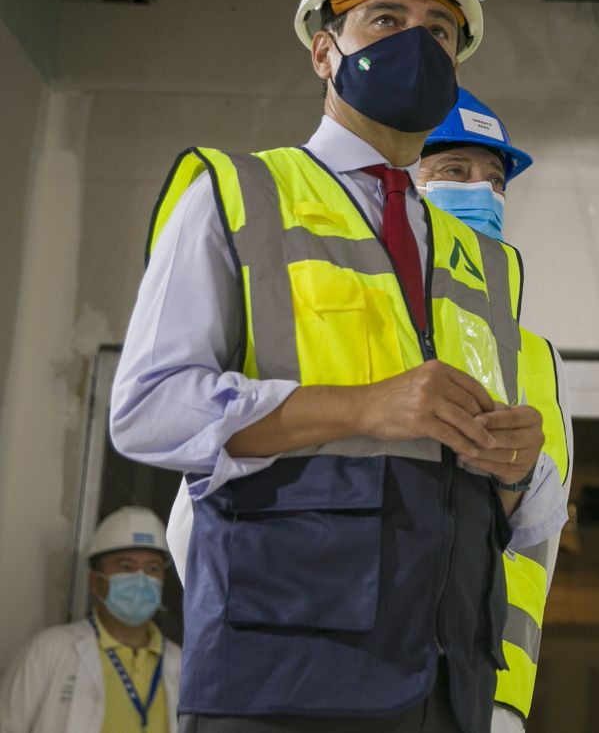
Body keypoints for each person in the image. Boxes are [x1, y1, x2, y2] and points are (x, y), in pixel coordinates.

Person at [110, 0, 550, 733]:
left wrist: (519, 469)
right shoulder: (238, 195)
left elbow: (504, 498)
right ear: (324, 49)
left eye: (440, 32)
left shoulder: (484, 262)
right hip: (281, 679)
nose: (417, 44)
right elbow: (149, 409)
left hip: (447, 686)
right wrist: (362, 406)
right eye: (386, 19)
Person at [157, 84, 571, 733]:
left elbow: (532, 542)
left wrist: (502, 701)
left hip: (464, 689)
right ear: (400, 184)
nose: (482, 196)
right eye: (454, 172)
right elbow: (201, 518)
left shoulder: (532, 356)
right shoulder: (349, 312)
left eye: (496, 181)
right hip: (304, 682)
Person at [0, 507, 183, 733]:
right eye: (126, 567)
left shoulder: (181, 664)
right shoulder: (50, 650)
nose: (141, 578)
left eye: (152, 568)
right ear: (96, 582)